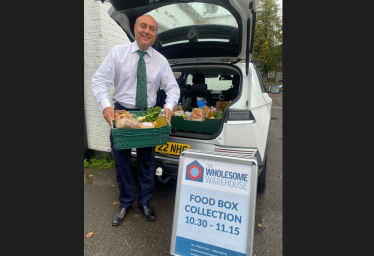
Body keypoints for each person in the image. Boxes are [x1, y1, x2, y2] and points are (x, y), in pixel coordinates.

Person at [91, 15, 180, 226]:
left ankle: (145, 202)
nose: (147, 31)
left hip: (147, 116)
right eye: (143, 26)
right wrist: (106, 107)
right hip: (122, 114)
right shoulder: (117, 53)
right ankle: (125, 202)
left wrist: (168, 107)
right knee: (122, 162)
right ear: (135, 28)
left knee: (147, 163)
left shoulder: (160, 60)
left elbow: (173, 88)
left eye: (152, 28)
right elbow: (99, 81)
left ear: (155, 34)